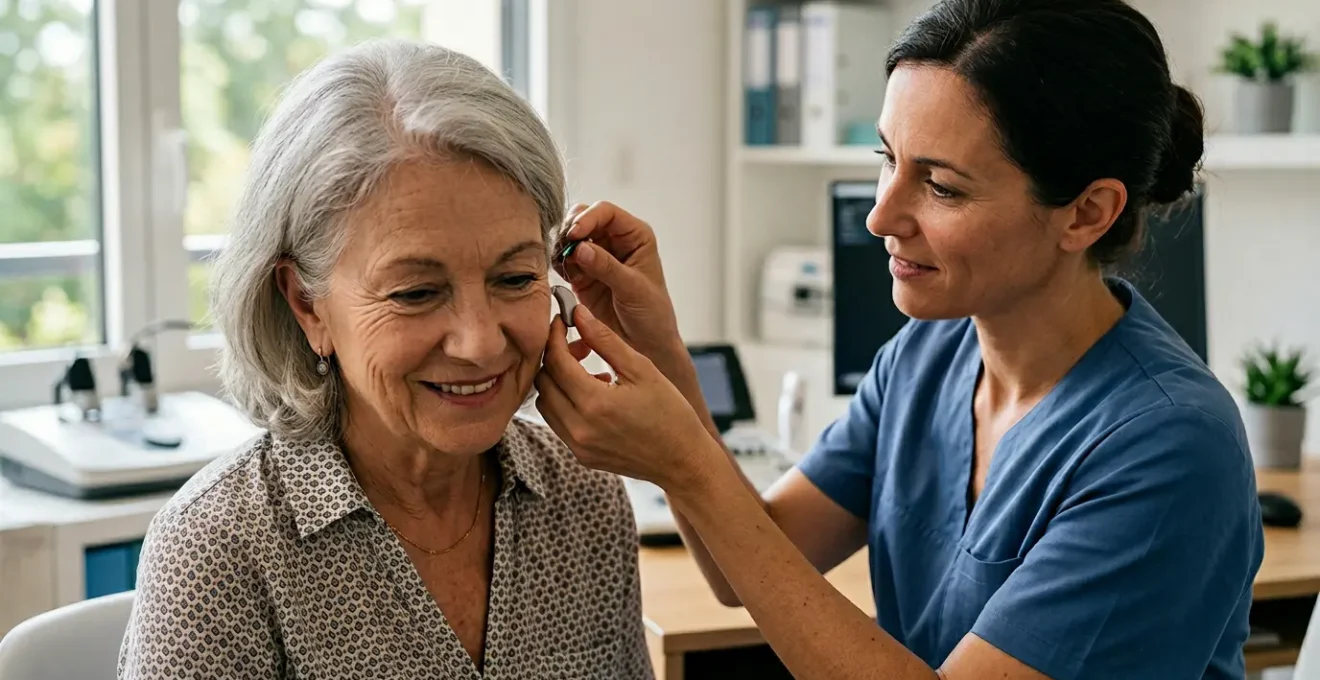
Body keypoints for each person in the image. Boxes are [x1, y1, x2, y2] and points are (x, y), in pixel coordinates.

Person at [534, 0, 1264, 678]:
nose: (880, 217)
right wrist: (659, 347)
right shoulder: (927, 357)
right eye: (888, 160)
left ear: (1085, 214)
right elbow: (744, 566)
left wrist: (683, 463)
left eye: (941, 186)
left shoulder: (1170, 446)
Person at [118, 39, 652, 680]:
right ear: (307, 305)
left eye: (514, 278)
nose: (480, 342)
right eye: (417, 293)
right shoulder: (218, 553)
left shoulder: (584, 498)